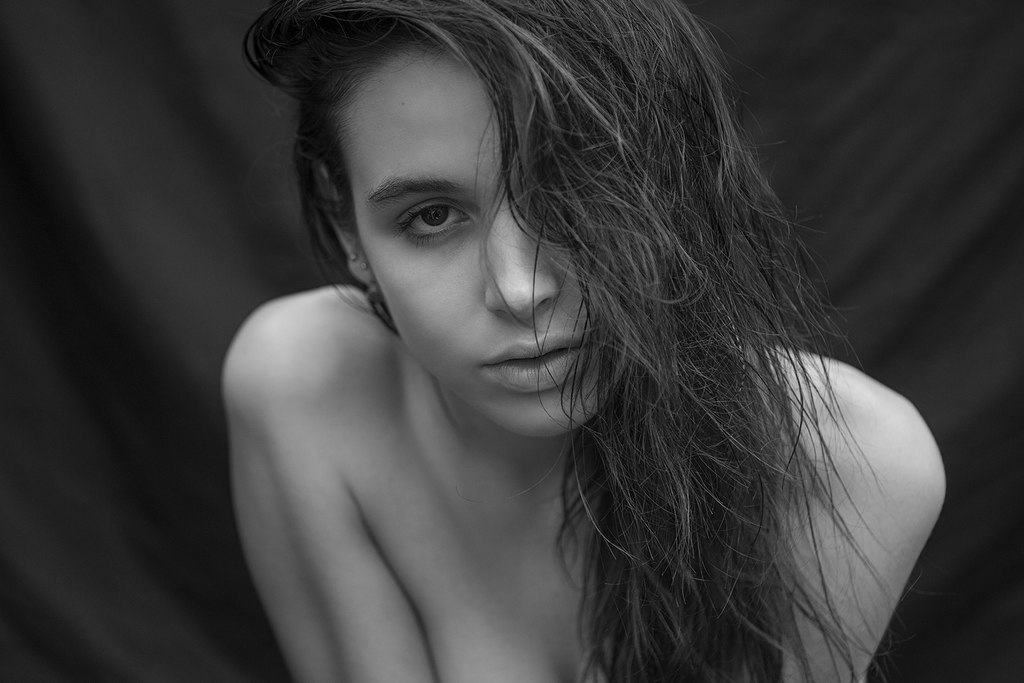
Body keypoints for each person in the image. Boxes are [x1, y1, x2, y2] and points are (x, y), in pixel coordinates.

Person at [223, 1, 945, 681]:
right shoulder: (304, 385)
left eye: (571, 192)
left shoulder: (850, 467)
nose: (519, 289)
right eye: (432, 216)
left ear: (674, 180)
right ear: (348, 229)